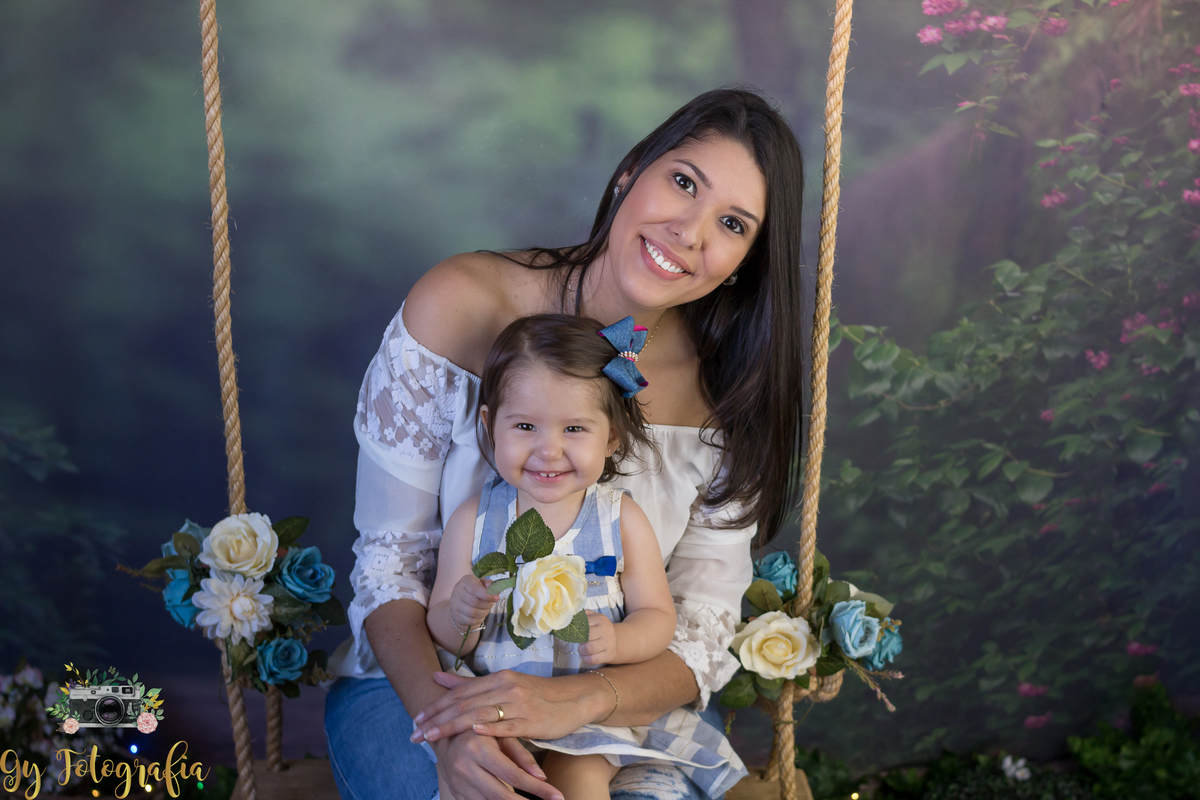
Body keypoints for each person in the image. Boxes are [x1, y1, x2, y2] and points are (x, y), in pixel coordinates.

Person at [324, 87, 807, 800]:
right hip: (419, 689)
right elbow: (389, 567)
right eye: (682, 182)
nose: (689, 231)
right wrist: (457, 722)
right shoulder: (462, 305)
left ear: (743, 261)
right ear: (630, 170)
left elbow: (699, 633)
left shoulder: (723, 396)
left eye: (731, 223)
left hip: (614, 717)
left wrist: (575, 703)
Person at [426, 314, 745, 800]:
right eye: (526, 425)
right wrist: (460, 613)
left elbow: (659, 618)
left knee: (578, 781)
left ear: (611, 438)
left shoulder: (621, 520)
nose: (548, 450)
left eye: (574, 428)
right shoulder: (475, 520)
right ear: (491, 426)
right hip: (500, 708)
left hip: (593, 713)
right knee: (475, 785)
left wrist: (619, 642)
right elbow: (447, 633)